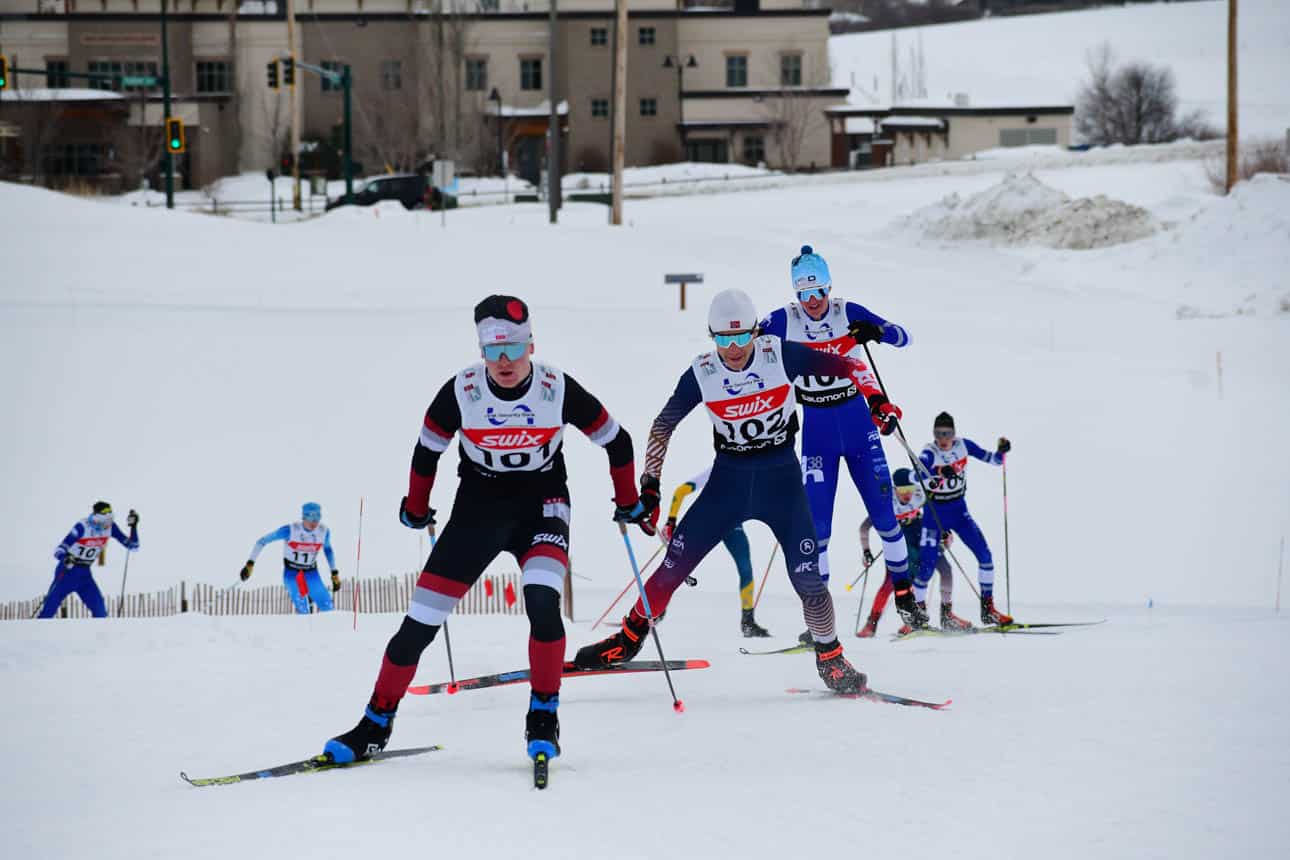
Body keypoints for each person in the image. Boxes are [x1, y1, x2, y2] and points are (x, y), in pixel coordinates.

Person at [323, 295, 650, 766]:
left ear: (531, 344)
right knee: (416, 629)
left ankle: (543, 714)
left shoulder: (556, 387)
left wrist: (629, 501)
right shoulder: (461, 391)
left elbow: (617, 442)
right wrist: (417, 507)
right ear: (479, 350)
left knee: (542, 603)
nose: (503, 362)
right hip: (476, 514)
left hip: (543, 509)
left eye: (513, 349)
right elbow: (425, 451)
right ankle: (375, 724)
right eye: (492, 350)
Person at [575, 288, 912, 694]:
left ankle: (830, 656)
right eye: (722, 339)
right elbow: (663, 425)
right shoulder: (703, 372)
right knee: (672, 568)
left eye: (741, 338)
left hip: (782, 482)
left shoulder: (779, 354)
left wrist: (877, 402)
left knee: (808, 580)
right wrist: (650, 486)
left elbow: (851, 368)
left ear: (756, 332)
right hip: (728, 483)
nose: (733, 349)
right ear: (711, 336)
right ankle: (628, 639)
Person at [758, 246, 919, 624]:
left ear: (829, 288)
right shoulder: (784, 320)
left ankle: (905, 596)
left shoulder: (848, 312)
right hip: (816, 430)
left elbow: (904, 337)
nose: (813, 302)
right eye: (804, 294)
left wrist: (877, 332)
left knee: (884, 517)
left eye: (819, 292)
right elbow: (744, 346)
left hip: (856, 424)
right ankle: (820, 619)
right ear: (795, 294)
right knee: (818, 528)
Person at [916, 412, 1013, 625]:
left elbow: (994, 460)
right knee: (926, 567)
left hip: (959, 512)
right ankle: (917, 617)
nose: (943, 438)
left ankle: (988, 611)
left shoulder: (963, 445)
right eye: (939, 433)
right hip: (934, 516)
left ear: (954, 433)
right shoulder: (929, 452)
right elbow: (916, 475)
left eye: (947, 433)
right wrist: (940, 470)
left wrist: (1002, 451)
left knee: (985, 556)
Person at [857, 468, 969, 637]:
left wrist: (945, 532)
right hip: (900, 539)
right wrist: (866, 551)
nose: (907, 495)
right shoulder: (887, 503)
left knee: (945, 570)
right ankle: (871, 624)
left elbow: (935, 512)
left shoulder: (919, 494)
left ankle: (946, 616)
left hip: (919, 532)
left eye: (910, 489)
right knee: (891, 583)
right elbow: (864, 528)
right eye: (903, 490)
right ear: (895, 489)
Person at [663, 469, 770, 637]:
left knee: (745, 570)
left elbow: (680, 492)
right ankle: (747, 623)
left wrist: (671, 521)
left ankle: (748, 623)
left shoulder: (745, 473)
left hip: (725, 526)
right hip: (716, 525)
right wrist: (671, 522)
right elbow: (681, 491)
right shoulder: (720, 470)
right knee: (745, 570)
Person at [40, 501, 139, 618]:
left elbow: (133, 546)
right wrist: (65, 559)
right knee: (48, 611)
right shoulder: (82, 527)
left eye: (110, 520)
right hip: (67, 572)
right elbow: (59, 550)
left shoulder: (111, 527)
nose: (108, 524)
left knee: (100, 611)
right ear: (97, 518)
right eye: (105, 521)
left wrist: (133, 527)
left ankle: (100, 635)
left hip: (85, 575)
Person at [240, 502, 339, 614]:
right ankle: (305, 630)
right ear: (304, 516)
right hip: (293, 574)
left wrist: (334, 573)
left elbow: (328, 550)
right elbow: (262, 541)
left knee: (328, 606)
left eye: (317, 517)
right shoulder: (290, 530)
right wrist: (250, 564)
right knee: (303, 609)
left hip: (311, 573)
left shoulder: (323, 532)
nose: (314, 521)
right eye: (311, 517)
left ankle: (327, 631)